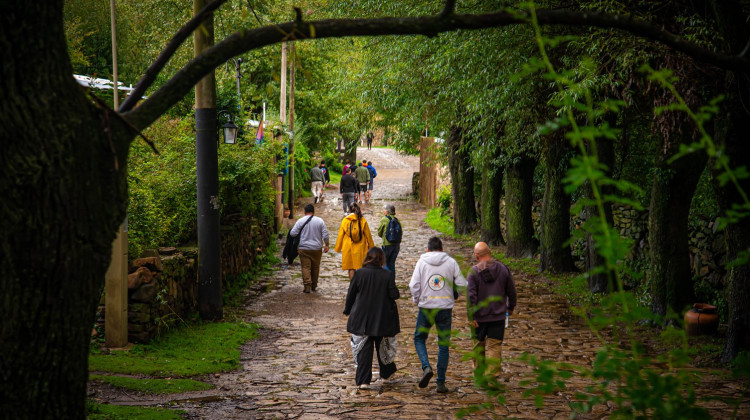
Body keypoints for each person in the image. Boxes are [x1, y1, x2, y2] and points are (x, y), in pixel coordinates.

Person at [409, 237, 467, 393]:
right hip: (445, 308)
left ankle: (426, 366)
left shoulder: (422, 262)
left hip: (426, 307)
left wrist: (417, 300)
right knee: (443, 345)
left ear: (427, 249)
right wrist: (455, 294)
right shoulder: (451, 262)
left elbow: (413, 285)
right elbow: (462, 283)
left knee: (419, 338)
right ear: (442, 249)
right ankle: (440, 383)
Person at [343, 247, 400, 388]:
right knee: (384, 347)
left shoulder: (359, 274)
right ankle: (386, 373)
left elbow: (351, 293)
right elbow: (394, 295)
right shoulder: (387, 275)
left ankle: (363, 381)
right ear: (381, 259)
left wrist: (347, 309)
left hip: (362, 318)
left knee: (364, 349)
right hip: (382, 317)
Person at [467, 242, 516, 377]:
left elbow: (471, 297)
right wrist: (511, 307)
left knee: (478, 345)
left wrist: (471, 318)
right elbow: (511, 290)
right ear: (490, 251)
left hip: (479, 317)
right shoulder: (503, 269)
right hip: (498, 316)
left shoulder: (473, 273)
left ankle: (479, 374)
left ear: (477, 256)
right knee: (494, 346)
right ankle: (492, 375)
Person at [289, 204, 329, 293]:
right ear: (313, 212)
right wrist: (327, 245)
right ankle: (314, 285)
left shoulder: (300, 221)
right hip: (317, 249)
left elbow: (292, 233)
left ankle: (307, 286)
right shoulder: (320, 221)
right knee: (315, 267)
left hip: (304, 248)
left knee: (305, 267)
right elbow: (325, 235)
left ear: (305, 212)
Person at [335, 203, 374, 280]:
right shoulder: (362, 220)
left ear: (349, 210)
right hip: (361, 248)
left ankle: (353, 285)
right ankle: (361, 285)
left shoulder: (345, 220)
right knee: (361, 267)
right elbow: (368, 235)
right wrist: (371, 248)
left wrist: (338, 248)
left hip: (348, 247)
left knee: (351, 268)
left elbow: (340, 235)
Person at [378, 203, 401, 275]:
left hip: (387, 245)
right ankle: (391, 282)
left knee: (384, 263)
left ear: (388, 211)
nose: (383, 211)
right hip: (396, 245)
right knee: (391, 264)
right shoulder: (397, 220)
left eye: (384, 210)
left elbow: (379, 233)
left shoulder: (384, 219)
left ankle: (385, 282)